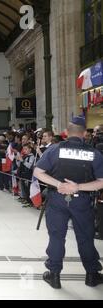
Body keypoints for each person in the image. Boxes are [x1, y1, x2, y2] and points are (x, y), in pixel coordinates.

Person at [33, 116, 103, 289]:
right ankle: (92, 275)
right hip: (82, 201)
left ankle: (54, 275)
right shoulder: (93, 153)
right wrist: (77, 187)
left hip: (57, 199)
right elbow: (101, 181)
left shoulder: (55, 149)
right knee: (85, 238)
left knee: (57, 237)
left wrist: (59, 185)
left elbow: (38, 172)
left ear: (66, 132)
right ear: (84, 133)